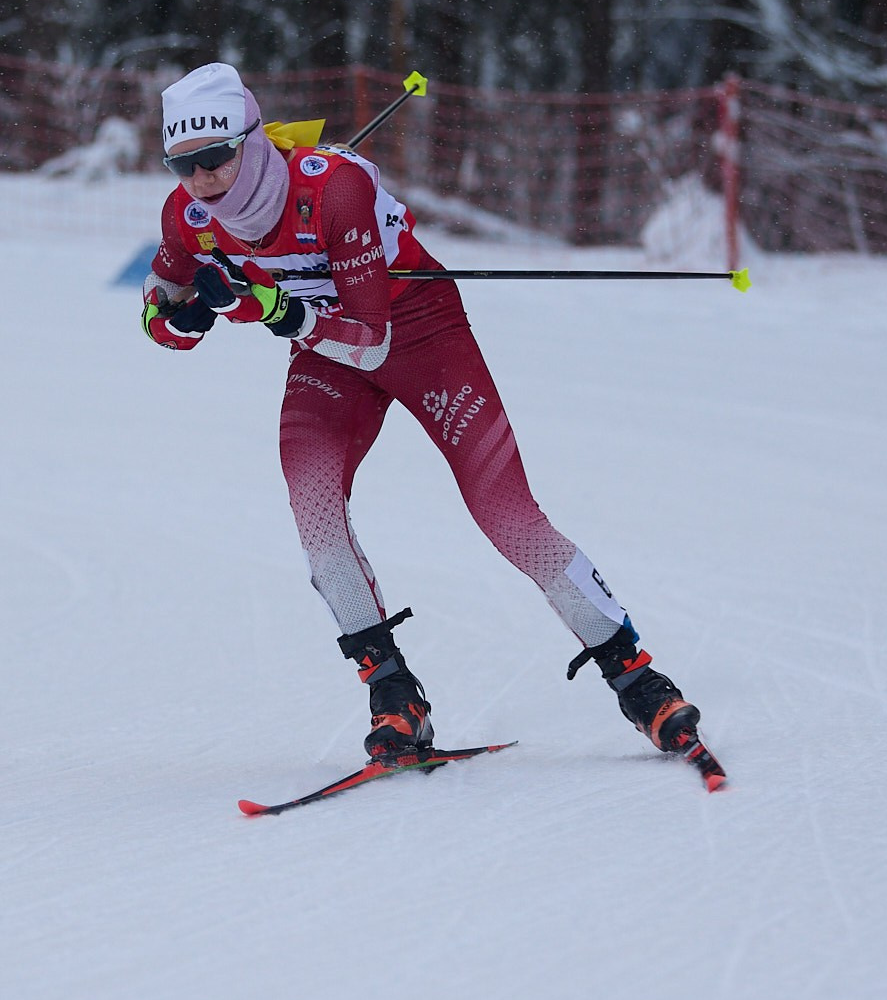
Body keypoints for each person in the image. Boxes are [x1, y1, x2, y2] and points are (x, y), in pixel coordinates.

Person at [138, 61, 711, 768]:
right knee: (312, 507)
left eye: (215, 157)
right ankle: (393, 692)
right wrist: (183, 317)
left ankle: (636, 676)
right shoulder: (186, 216)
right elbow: (159, 310)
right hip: (322, 350)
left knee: (505, 511)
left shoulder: (335, 186)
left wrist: (270, 307)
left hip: (415, 330)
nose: (202, 180)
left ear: (253, 140)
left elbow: (370, 336)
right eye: (182, 164)